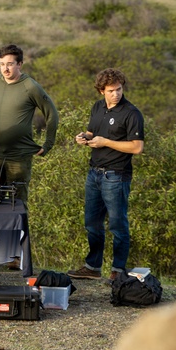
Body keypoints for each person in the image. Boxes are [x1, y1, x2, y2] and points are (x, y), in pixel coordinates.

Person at [68, 68, 145, 283]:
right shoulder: (98, 107)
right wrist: (83, 137)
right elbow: (93, 132)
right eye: (111, 90)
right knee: (92, 223)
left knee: (118, 225)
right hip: (94, 173)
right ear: (102, 91)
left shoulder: (131, 113)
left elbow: (137, 147)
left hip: (116, 175)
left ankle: (118, 270)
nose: (116, 94)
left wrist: (105, 142)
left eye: (119, 89)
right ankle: (92, 266)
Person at [0, 44, 59, 205]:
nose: (5, 68)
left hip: (19, 156)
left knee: (17, 202)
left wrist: (48, 144)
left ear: (20, 64)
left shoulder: (30, 86)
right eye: (2, 64)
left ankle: (18, 231)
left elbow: (52, 114)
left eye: (10, 64)